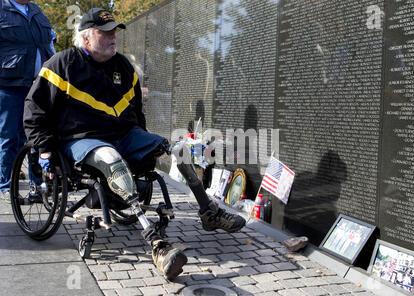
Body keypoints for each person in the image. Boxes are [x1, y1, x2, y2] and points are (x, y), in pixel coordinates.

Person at [23, 8, 246, 281]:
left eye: (114, 31)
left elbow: (136, 113)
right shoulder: (61, 64)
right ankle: (156, 243)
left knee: (178, 148)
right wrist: (44, 148)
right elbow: (34, 109)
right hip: (81, 139)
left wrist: (143, 142)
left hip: (124, 134)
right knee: (110, 157)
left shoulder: (123, 66)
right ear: (86, 37)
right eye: (105, 32)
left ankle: (207, 212)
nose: (112, 36)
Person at [0, 0, 55, 201]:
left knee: (36, 136)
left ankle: (36, 186)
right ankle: (6, 186)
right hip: (9, 84)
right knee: (10, 136)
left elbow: (49, 43)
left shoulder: (36, 10)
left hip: (38, 85)